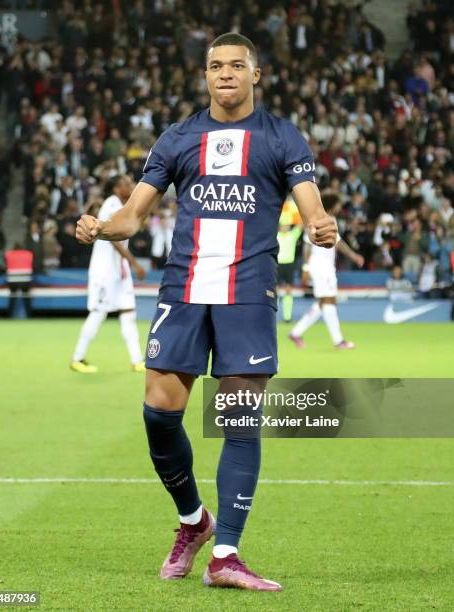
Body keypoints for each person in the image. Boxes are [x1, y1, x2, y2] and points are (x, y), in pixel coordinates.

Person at [76, 33, 337, 591]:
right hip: (184, 291)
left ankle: (225, 555)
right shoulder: (179, 137)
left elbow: (310, 203)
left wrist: (320, 223)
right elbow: (132, 216)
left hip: (247, 295)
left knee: (239, 423)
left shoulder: (281, 137)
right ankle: (193, 521)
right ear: (205, 75)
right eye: (216, 66)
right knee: (158, 416)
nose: (225, 74)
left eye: (236, 66)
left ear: (255, 74)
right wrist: (101, 228)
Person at [71, 175, 147, 373]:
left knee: (128, 312)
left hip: (119, 270)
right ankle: (77, 358)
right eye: (126, 183)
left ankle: (137, 360)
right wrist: (133, 262)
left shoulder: (125, 204)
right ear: (116, 187)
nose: (131, 185)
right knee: (98, 312)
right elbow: (113, 239)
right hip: (105, 269)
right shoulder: (111, 204)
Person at [289, 192, 364, 349]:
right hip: (320, 266)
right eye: (337, 204)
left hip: (326, 266)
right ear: (332, 204)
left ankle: (296, 333)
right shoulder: (315, 220)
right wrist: (305, 268)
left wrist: (353, 255)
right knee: (329, 300)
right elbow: (307, 247)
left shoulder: (331, 220)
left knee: (324, 302)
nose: (339, 207)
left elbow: (338, 243)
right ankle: (338, 341)